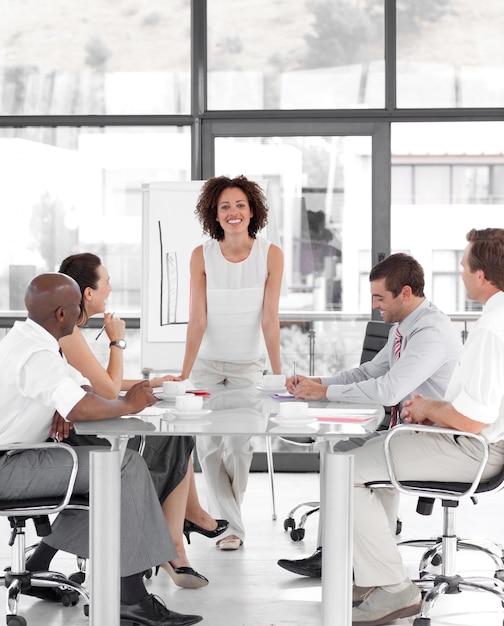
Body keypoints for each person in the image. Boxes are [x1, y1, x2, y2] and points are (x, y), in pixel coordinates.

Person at [0, 273, 202, 626]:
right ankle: (131, 599)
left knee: (104, 471)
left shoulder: (28, 337)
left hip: (20, 456)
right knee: (121, 466)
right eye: (78, 306)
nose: (83, 313)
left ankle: (39, 566)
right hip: (9, 469)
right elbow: (80, 406)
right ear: (62, 313)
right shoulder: (36, 354)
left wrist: (69, 402)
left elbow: (77, 389)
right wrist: (129, 405)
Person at [350, 227, 504, 625]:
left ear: (482, 276)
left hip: (475, 450)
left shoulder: (491, 328)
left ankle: (393, 589)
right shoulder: (495, 317)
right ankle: (375, 577)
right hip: (474, 442)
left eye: (464, 266)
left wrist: (428, 408)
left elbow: (473, 418)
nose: (460, 272)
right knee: (368, 463)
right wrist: (430, 409)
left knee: (348, 468)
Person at [277, 253, 463, 579]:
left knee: (345, 461)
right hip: (408, 431)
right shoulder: (405, 327)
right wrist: (318, 383)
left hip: (438, 439)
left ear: (406, 292)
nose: (376, 305)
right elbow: (367, 373)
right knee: (341, 449)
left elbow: (389, 390)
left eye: (380, 297)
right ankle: (335, 553)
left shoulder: (430, 333)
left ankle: (367, 565)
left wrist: (324, 394)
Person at [57, 252, 228, 588]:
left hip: (85, 425)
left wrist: (151, 383)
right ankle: (179, 537)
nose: (111, 288)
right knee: (175, 438)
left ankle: (185, 527)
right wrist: (117, 340)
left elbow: (95, 382)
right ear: (88, 294)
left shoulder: (71, 331)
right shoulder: (69, 334)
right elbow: (105, 388)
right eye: (106, 282)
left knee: (176, 435)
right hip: (80, 438)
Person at [179, 175, 284, 550]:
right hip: (208, 366)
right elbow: (198, 320)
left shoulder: (270, 254)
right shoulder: (201, 255)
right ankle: (233, 528)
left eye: (240, 205)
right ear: (215, 214)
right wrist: (185, 373)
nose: (233, 212)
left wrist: (278, 374)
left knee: (239, 446)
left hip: (247, 368)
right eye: (225, 206)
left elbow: (270, 320)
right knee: (207, 447)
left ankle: (227, 520)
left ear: (252, 210)